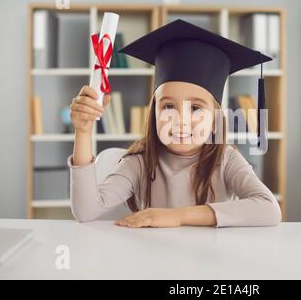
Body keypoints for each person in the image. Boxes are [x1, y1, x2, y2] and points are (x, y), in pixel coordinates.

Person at [67, 19, 281, 228]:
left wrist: (177, 216)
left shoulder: (226, 160)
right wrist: (83, 132)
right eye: (168, 106)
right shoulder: (140, 162)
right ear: (154, 114)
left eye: (196, 108)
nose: (181, 121)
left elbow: (269, 209)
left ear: (216, 120)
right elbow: (86, 211)